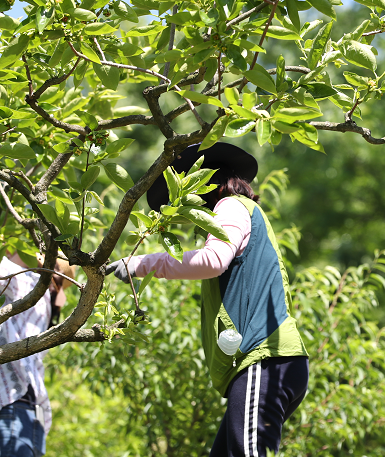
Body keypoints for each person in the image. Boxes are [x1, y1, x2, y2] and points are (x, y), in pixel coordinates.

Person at [106, 142, 308, 457]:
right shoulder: (240, 212)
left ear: (202, 186)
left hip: (264, 360)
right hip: (264, 365)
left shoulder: (230, 206)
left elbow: (212, 260)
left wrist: (140, 264)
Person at [0, 253, 74, 457]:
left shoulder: (27, 284)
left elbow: (2, 269)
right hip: (33, 411)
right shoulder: (48, 303)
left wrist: (16, 253)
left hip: (13, 402)